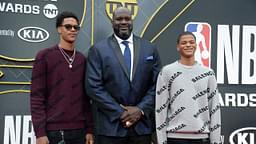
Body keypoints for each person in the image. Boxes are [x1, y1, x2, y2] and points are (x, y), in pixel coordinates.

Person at [86, 7, 161, 144]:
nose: (123, 22)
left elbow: (157, 84)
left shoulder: (150, 48)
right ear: (112, 22)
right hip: (110, 128)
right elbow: (93, 87)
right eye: (119, 19)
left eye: (127, 18)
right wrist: (120, 112)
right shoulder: (98, 50)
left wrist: (140, 109)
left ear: (132, 21)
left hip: (142, 128)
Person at [30, 11, 94, 144]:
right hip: (53, 132)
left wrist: (89, 130)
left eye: (76, 27)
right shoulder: (44, 56)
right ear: (59, 29)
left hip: (80, 131)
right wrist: (40, 133)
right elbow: (37, 97)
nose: (72, 30)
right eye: (68, 26)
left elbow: (86, 99)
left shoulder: (82, 59)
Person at [155, 31, 221, 144]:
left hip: (202, 138)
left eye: (191, 42)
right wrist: (161, 140)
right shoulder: (167, 72)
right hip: (174, 138)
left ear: (196, 45)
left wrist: (215, 140)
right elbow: (160, 109)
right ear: (177, 47)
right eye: (184, 43)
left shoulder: (208, 73)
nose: (188, 45)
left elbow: (214, 109)